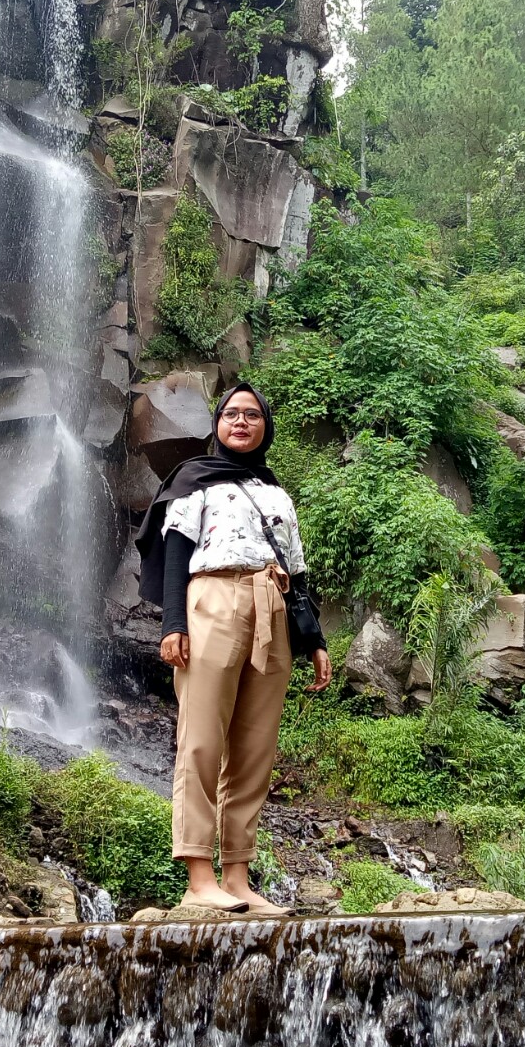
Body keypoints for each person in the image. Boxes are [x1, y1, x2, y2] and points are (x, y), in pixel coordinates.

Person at [134, 383, 332, 913]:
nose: (240, 421)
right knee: (201, 741)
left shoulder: (276, 493)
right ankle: (200, 878)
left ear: (265, 425)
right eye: (231, 413)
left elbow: (298, 570)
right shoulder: (193, 480)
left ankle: (239, 878)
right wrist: (172, 624)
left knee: (254, 749)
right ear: (217, 423)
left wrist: (314, 639)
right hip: (213, 599)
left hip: (273, 604)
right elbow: (176, 552)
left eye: (251, 414)